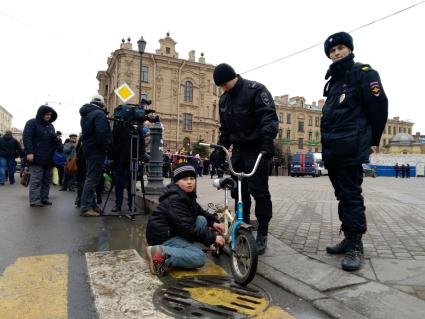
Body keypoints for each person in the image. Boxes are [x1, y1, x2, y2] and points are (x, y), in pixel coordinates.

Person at [321, 32, 388, 271]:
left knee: (351, 196)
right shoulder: (333, 82)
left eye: (340, 48)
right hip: (333, 150)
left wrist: (373, 141)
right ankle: (348, 238)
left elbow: (379, 109)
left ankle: (355, 246)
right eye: (332, 51)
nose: (336, 53)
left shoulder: (364, 74)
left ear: (349, 49)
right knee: (342, 196)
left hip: (351, 147)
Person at [213, 63, 278, 255]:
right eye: (221, 86)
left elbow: (269, 117)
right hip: (239, 151)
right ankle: (245, 226)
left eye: (225, 84)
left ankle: (263, 232)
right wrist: (220, 149)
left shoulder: (255, 90)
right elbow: (225, 129)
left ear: (232, 77)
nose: (223, 88)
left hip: (257, 149)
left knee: (260, 192)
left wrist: (267, 142)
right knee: (239, 191)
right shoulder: (224, 100)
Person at [145, 163, 225, 276]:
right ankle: (159, 255)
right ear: (176, 181)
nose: (189, 182)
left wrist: (213, 222)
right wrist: (213, 238)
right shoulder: (176, 199)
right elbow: (188, 229)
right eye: (184, 179)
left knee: (201, 219)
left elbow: (199, 211)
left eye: (192, 178)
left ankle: (182, 249)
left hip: (173, 231)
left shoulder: (186, 194)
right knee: (199, 258)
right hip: (163, 238)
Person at [79, 95, 112, 217]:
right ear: (101, 104)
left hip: (89, 149)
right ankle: (86, 208)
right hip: (96, 150)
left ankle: (92, 205)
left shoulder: (87, 114)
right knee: (92, 179)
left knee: (91, 178)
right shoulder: (99, 114)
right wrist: (107, 146)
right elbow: (101, 133)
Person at [23, 105, 59, 206]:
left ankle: (44, 198)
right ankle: (35, 200)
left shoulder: (50, 126)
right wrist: (29, 152)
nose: (48, 116)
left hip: (48, 158)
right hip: (36, 157)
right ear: (41, 114)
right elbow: (27, 137)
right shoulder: (32, 123)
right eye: (47, 114)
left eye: (50, 115)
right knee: (36, 179)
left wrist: (56, 140)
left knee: (46, 180)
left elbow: (52, 142)